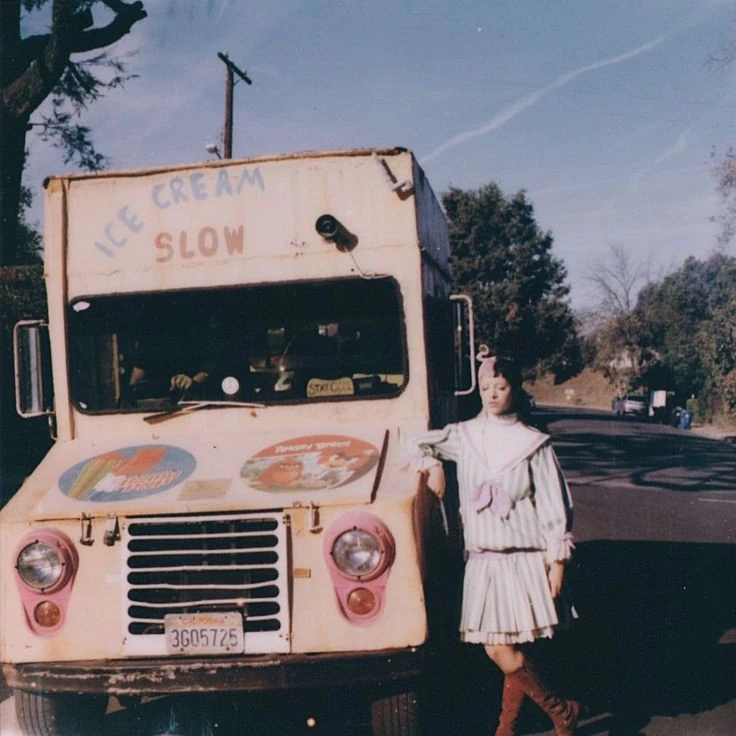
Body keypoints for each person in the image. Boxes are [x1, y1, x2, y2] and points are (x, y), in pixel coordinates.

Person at [402, 345, 579, 736]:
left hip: (524, 559)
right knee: (504, 648)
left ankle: (528, 721)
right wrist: (433, 465)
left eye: (500, 387)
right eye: (485, 387)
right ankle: (548, 714)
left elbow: (554, 504)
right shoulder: (465, 435)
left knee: (504, 648)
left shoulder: (532, 443)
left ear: (515, 388)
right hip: (484, 560)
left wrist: (557, 562)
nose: (492, 394)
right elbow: (411, 443)